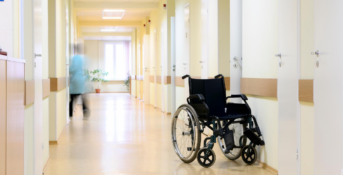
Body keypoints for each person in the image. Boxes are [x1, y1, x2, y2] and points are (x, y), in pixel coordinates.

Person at [69, 44, 89, 117]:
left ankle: (70, 113)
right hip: (81, 80)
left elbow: (72, 69)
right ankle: (84, 109)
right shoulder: (84, 58)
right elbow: (87, 71)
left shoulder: (75, 58)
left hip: (75, 80)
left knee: (72, 97)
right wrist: (85, 78)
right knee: (81, 95)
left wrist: (68, 70)